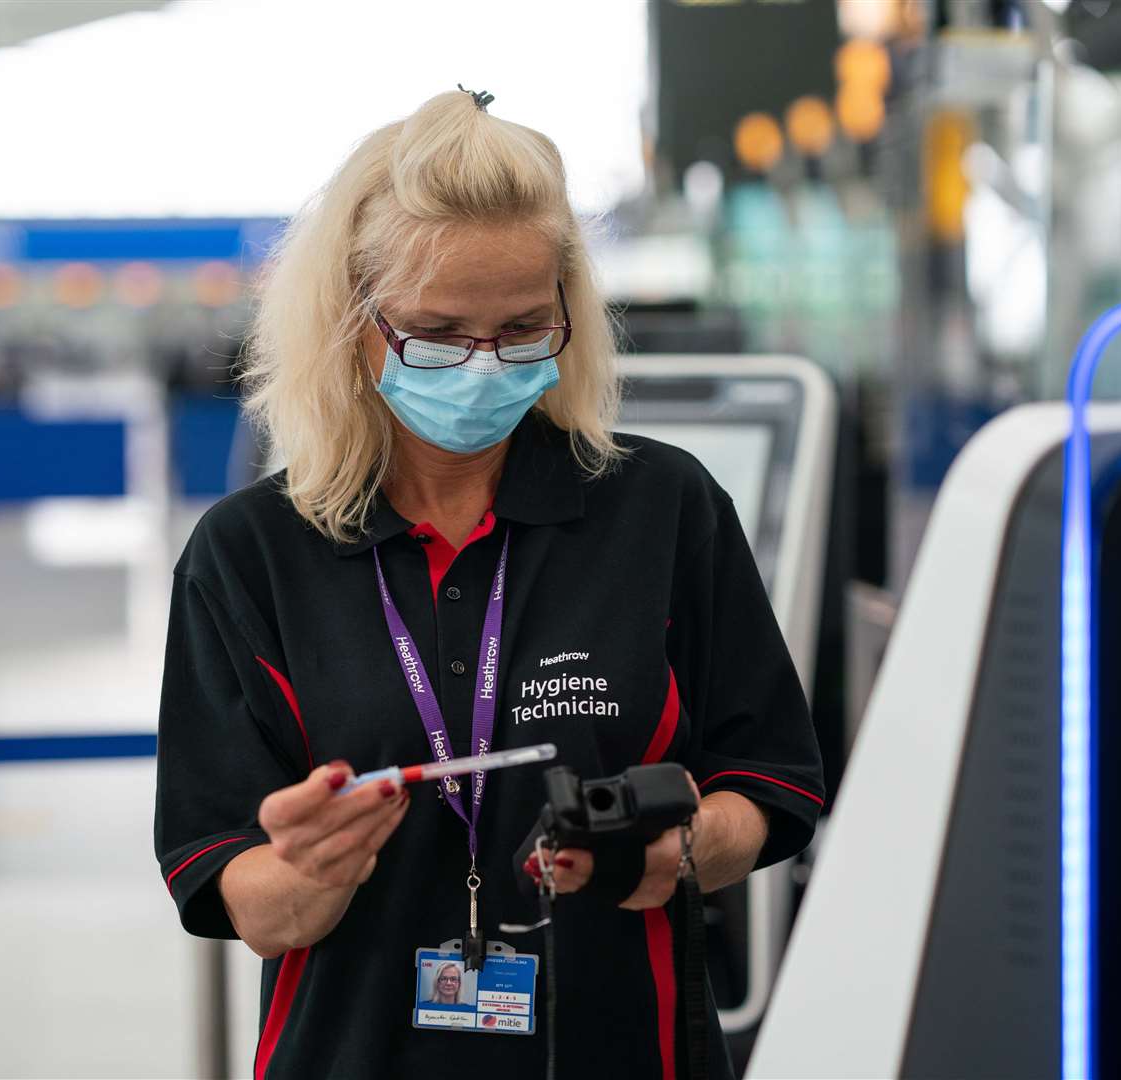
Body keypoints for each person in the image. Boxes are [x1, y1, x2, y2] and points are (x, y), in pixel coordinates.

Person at [154, 88, 824, 1080]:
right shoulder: (250, 554)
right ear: (351, 321)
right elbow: (233, 884)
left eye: (520, 329)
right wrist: (307, 874)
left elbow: (771, 788)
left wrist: (677, 851)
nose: (481, 366)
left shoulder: (663, 510)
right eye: (434, 333)